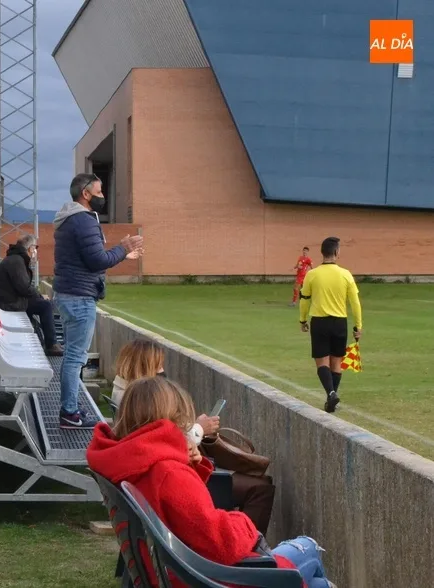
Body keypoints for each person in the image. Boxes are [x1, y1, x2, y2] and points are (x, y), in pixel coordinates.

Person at [88, 376, 336, 588]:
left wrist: (190, 465)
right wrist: (244, 523)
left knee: (318, 584)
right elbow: (219, 541)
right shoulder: (168, 471)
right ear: (174, 418)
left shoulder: (133, 459)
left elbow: (181, 513)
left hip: (174, 571)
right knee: (308, 547)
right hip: (203, 578)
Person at [110, 339, 276, 534]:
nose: (163, 371)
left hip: (175, 476)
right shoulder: (140, 402)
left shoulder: (128, 395)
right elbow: (162, 445)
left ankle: (250, 539)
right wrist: (198, 430)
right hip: (182, 481)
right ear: (145, 367)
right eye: (158, 366)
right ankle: (254, 544)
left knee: (258, 483)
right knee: (260, 487)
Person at [53, 173, 143, 429]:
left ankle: (71, 408)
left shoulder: (69, 219)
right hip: (79, 298)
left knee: (72, 356)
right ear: (86, 194)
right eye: (100, 191)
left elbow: (91, 259)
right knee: (75, 358)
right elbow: (97, 261)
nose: (103, 196)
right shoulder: (83, 220)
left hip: (69, 294)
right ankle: (69, 413)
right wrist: (123, 248)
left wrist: (121, 254)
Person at [299, 236, 362, 413]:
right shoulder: (346, 274)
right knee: (336, 363)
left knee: (322, 363)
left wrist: (303, 319)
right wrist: (358, 325)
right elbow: (355, 302)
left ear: (322, 252)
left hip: (319, 322)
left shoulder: (312, 274)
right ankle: (332, 398)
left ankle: (331, 394)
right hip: (339, 323)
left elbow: (304, 299)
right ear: (336, 252)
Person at [0, 235, 63, 356]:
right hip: (10, 303)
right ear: (31, 248)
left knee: (43, 304)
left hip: (9, 299)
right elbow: (24, 288)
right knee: (46, 306)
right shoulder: (17, 261)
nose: (35, 252)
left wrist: (38, 296)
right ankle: (51, 345)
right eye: (35, 248)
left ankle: (49, 341)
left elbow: (23, 287)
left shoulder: (15, 259)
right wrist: (40, 297)